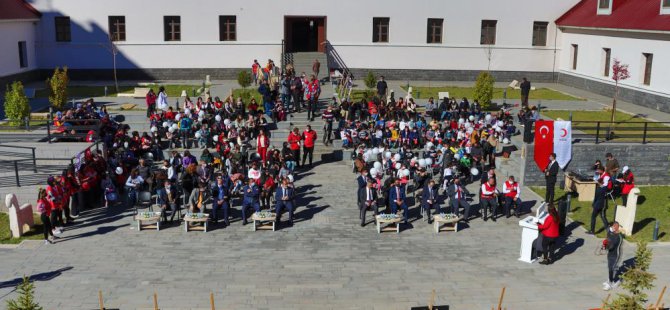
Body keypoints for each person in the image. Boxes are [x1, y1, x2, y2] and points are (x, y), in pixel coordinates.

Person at [587, 166, 610, 235]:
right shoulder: (600, 176)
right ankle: (608, 230)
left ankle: (592, 231)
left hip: (599, 202)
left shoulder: (606, 177)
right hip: (601, 201)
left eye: (598, 170)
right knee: (602, 216)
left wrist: (598, 183)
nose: (597, 171)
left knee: (594, 216)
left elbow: (605, 187)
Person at [603, 222, 623, 291]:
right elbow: (608, 239)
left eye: (614, 226)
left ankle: (611, 283)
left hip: (615, 255)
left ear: (617, 227)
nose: (612, 227)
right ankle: (610, 279)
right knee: (609, 267)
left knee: (612, 268)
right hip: (610, 254)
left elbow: (612, 246)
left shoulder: (619, 237)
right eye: (612, 226)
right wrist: (605, 244)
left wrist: (607, 245)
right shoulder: (610, 233)